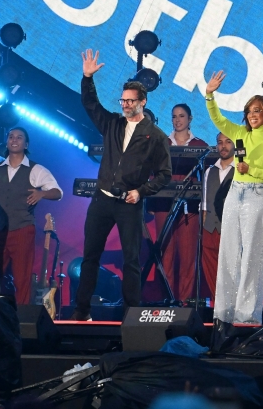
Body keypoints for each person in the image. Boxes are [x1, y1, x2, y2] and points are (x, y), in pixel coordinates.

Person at [75, 49, 172, 321]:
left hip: (129, 204)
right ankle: (81, 311)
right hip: (102, 199)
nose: (126, 104)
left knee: (131, 261)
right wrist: (87, 77)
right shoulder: (113, 124)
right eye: (123, 100)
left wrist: (140, 192)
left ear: (143, 101)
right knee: (90, 256)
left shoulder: (155, 136)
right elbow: (91, 104)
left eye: (131, 101)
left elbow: (164, 174)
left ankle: (131, 315)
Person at [205, 71, 263, 325]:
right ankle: (224, 312)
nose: (252, 116)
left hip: (259, 196)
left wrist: (251, 169)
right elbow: (218, 120)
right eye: (250, 111)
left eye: (257, 111)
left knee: (252, 255)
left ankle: (247, 315)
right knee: (228, 252)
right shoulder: (240, 134)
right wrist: (210, 94)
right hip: (235, 195)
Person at [0, 126, 63, 305]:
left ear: (26, 144)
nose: (14, 140)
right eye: (11, 137)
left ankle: (22, 321)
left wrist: (42, 193)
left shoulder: (35, 170)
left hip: (22, 230)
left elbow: (57, 192)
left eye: (19, 137)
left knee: (22, 279)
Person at [150, 104, 209, 302]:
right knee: (165, 255)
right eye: (174, 116)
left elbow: (207, 179)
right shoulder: (161, 142)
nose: (177, 120)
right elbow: (152, 173)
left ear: (190, 118)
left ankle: (183, 304)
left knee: (187, 257)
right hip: (163, 205)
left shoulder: (200, 145)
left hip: (190, 208)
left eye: (181, 116)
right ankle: (166, 301)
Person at [200, 132, 235, 302]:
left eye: (228, 142)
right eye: (220, 142)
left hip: (231, 229)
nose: (223, 146)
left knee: (230, 268)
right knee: (210, 266)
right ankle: (216, 304)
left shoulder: (241, 170)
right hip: (211, 228)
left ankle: (230, 304)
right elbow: (205, 204)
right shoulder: (209, 171)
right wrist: (205, 225)